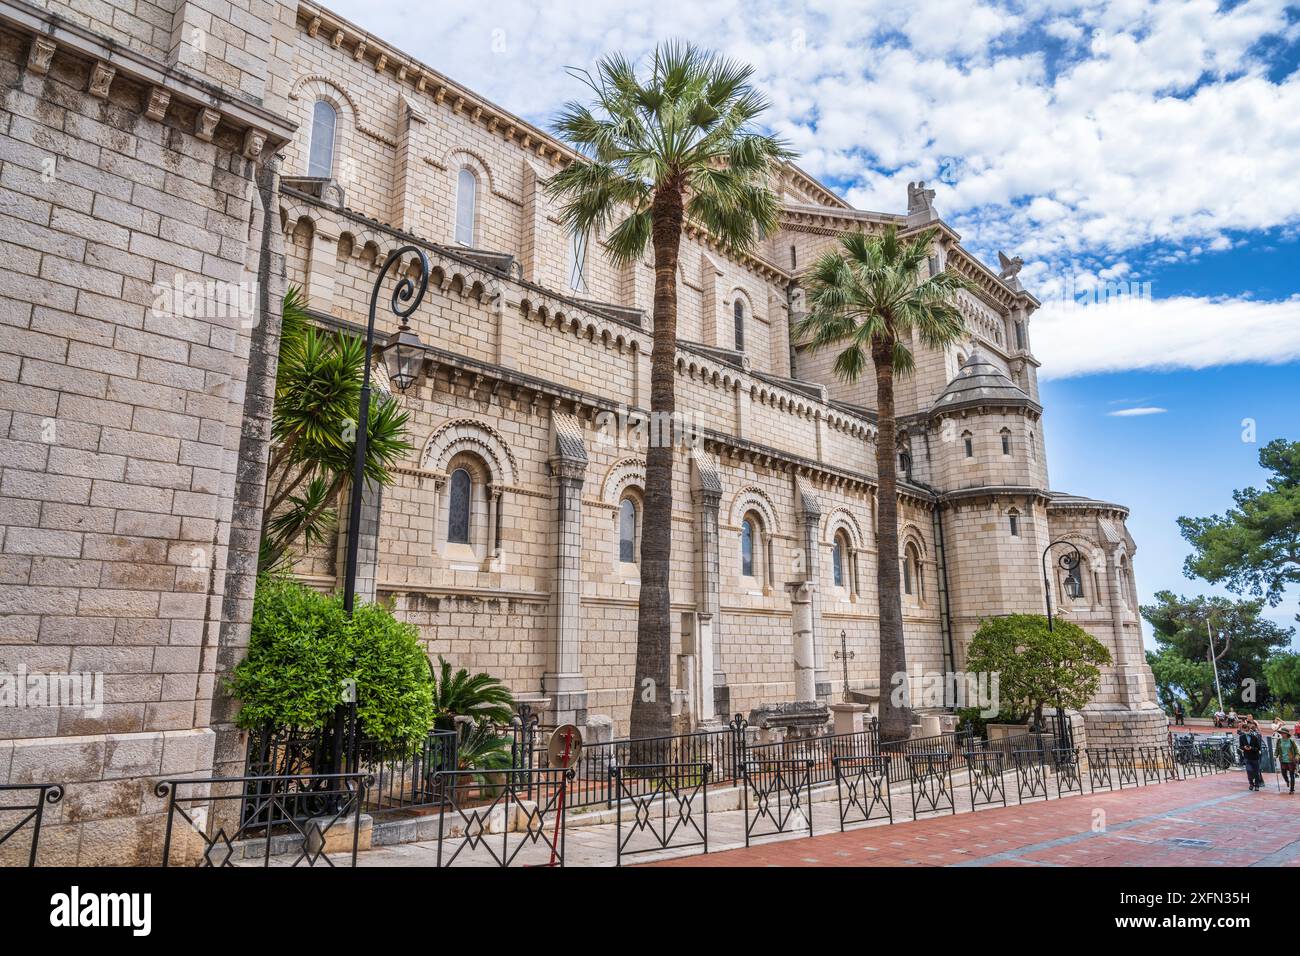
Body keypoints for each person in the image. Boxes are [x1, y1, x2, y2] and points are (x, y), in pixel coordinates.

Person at [1239, 721, 1264, 791]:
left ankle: (1257, 785)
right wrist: (1244, 747)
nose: (1245, 731)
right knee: (1249, 771)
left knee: (1256, 772)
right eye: (1244, 729)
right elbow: (1240, 746)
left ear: (1249, 729)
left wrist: (1251, 748)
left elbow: (1258, 748)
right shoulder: (1242, 737)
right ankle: (1251, 783)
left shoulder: (1254, 737)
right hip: (1247, 757)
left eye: (1247, 729)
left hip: (1255, 757)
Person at [1277, 728, 1298, 794]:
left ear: (1287, 734)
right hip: (1283, 760)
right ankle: (1287, 781)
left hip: (1291, 760)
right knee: (1283, 773)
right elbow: (1277, 750)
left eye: (1283, 733)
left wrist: (1297, 756)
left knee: (1292, 775)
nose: (1282, 734)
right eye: (1281, 733)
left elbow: (1296, 750)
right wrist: (1275, 755)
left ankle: (1292, 789)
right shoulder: (1279, 741)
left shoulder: (1291, 741)